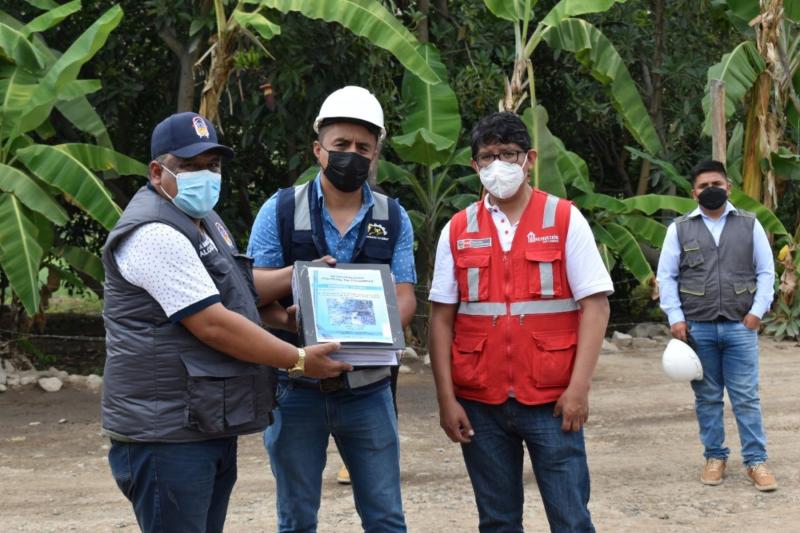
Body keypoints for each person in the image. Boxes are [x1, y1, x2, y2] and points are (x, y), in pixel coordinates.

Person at [101, 112, 349, 533]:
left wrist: (299, 275)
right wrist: (298, 358)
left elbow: (233, 281)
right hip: (166, 432)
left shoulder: (202, 219)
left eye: (212, 166)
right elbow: (212, 323)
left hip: (201, 420)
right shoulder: (154, 233)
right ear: (158, 171)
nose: (206, 176)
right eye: (191, 167)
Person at [428, 112, 612, 532]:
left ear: (528, 158)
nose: (497, 166)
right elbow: (441, 319)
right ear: (475, 166)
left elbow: (596, 307)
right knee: (497, 521)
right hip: (479, 402)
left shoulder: (564, 219)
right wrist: (446, 399)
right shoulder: (457, 230)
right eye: (487, 157)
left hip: (552, 402)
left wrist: (578, 390)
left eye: (507, 155)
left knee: (570, 519)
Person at [247, 86, 417, 532]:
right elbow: (252, 289)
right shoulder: (280, 210)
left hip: (370, 391)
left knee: (385, 517)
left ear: (376, 153)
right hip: (296, 388)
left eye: (364, 147)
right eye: (341, 145)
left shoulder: (393, 216)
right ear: (318, 149)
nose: (352, 155)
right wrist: (291, 303)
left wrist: (380, 330)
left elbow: (405, 295)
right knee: (297, 517)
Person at [656, 159, 777, 491]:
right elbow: (666, 276)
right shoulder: (678, 229)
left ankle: (756, 462)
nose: (711, 190)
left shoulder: (750, 225)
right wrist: (676, 318)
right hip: (698, 328)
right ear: (694, 192)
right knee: (707, 398)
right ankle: (715, 457)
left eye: (717, 185)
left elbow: (767, 272)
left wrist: (757, 312)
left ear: (728, 188)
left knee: (746, 398)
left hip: (741, 326)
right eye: (704, 186)